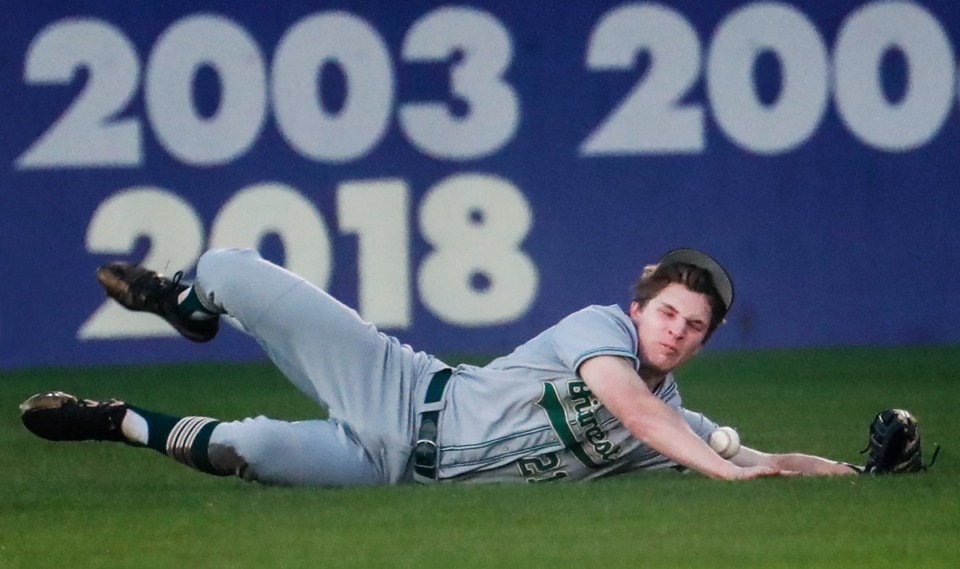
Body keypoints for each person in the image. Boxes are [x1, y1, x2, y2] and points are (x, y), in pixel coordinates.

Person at [20, 247, 856, 485]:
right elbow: (631, 408)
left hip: (392, 470)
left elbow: (764, 457)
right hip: (405, 386)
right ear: (638, 308)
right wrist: (718, 468)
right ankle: (188, 306)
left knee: (251, 449)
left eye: (695, 326)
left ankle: (112, 420)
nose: (676, 331)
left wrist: (854, 469)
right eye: (668, 311)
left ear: (704, 343)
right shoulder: (598, 330)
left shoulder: (678, 428)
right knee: (232, 267)